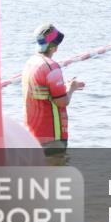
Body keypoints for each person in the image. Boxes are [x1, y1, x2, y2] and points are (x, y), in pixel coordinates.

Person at [21, 24, 84, 157]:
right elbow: (62, 102)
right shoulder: (51, 67)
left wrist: (64, 87)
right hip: (51, 137)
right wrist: (71, 88)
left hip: (31, 134)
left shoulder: (30, 63)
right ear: (53, 46)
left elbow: (43, 91)